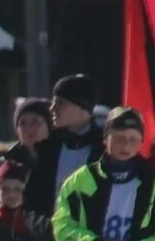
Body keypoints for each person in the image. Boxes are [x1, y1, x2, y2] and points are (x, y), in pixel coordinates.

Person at [52, 105, 155, 241]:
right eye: (119, 138)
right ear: (105, 139)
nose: (126, 146)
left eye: (133, 139)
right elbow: (62, 227)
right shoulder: (80, 180)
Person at [32, 75, 102, 222]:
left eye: (60, 103)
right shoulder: (47, 148)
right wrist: (47, 231)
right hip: (51, 239)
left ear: (83, 107)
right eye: (53, 102)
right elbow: (31, 204)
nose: (52, 108)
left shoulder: (105, 149)